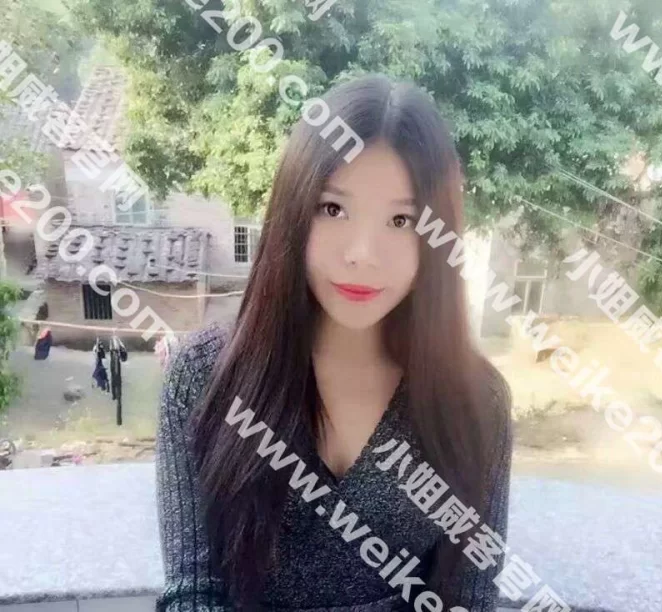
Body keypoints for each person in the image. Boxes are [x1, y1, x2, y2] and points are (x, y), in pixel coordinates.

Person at [155, 74, 513, 612]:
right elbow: (192, 591)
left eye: (401, 219)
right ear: (294, 212)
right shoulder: (205, 375)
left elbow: (470, 595)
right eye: (333, 209)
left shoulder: (475, 401)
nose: (362, 253)